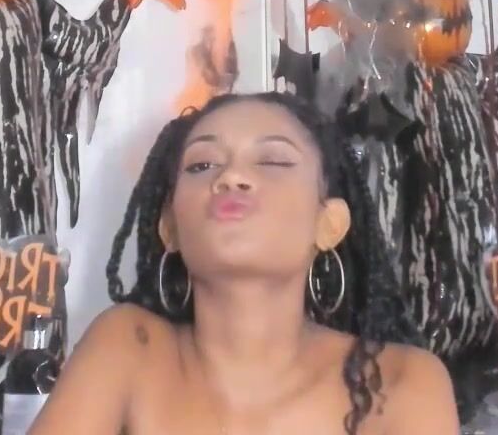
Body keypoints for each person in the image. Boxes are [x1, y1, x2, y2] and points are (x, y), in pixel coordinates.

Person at [30, 92, 460, 435]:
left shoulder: (404, 381)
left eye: (272, 161)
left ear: (329, 224)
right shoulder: (126, 346)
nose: (231, 177)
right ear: (169, 227)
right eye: (202, 165)